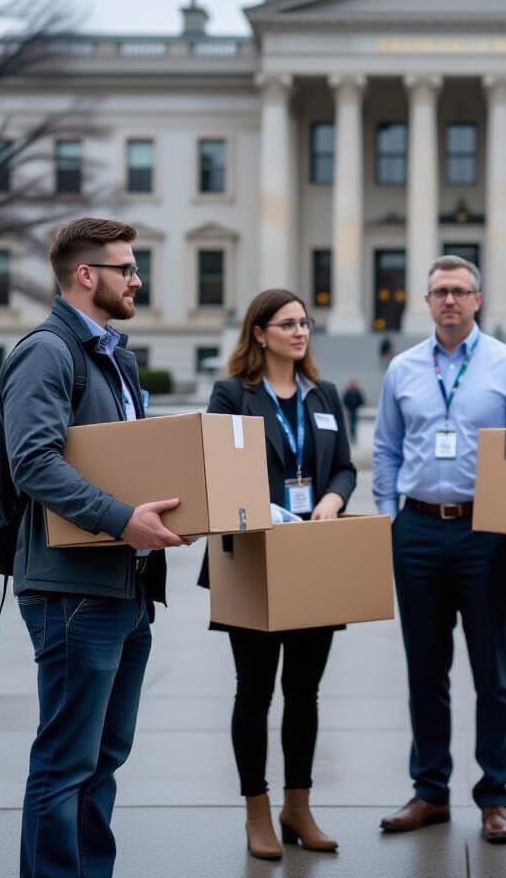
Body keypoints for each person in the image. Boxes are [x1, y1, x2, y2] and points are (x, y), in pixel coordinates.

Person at [0, 217, 189, 878]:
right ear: (88, 275)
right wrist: (123, 520)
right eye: (127, 269)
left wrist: (172, 511)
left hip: (126, 589)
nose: (138, 279)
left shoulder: (113, 354)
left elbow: (123, 465)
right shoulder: (47, 352)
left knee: (103, 760)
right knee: (66, 762)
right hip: (72, 591)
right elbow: (34, 464)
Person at [373, 255, 506, 844]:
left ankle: (495, 796)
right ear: (425, 302)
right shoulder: (402, 369)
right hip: (418, 530)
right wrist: (389, 521)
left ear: (478, 299)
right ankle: (429, 791)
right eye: (439, 292)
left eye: (460, 291)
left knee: (492, 673)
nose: (449, 300)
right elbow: (386, 450)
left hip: (485, 534)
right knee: (425, 670)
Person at [198, 288, 357, 860]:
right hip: (255, 558)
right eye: (287, 323)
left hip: (314, 554)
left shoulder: (325, 394)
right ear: (259, 333)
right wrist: (262, 509)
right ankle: (257, 812)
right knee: (255, 691)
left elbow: (342, 468)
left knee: (305, 692)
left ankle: (299, 805)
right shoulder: (232, 395)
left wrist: (334, 502)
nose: (300, 332)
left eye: (305, 323)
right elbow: (214, 468)